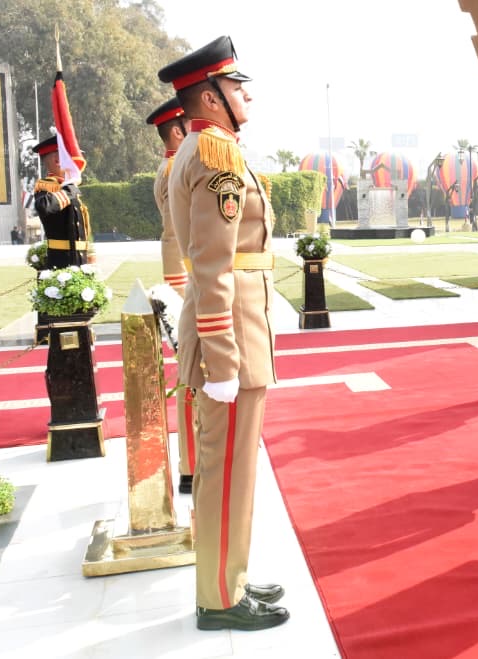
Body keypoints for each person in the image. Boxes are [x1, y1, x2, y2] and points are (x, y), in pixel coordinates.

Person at [158, 35, 288, 630]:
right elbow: (212, 267)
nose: (247, 96)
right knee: (226, 471)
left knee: (227, 470)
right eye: (237, 87)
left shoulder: (208, 149)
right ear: (209, 97)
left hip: (233, 331)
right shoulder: (215, 154)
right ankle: (218, 598)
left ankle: (227, 579)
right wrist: (225, 361)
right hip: (230, 335)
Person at [146, 95, 196, 494]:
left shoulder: (169, 166)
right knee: (193, 367)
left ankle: (192, 460)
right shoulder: (176, 166)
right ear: (177, 130)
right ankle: (192, 462)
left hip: (178, 262)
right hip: (182, 267)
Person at [32, 136, 90, 268]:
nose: (78, 163)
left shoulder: (66, 187)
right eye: (73, 158)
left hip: (79, 262)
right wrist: (70, 188)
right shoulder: (47, 186)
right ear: (57, 160)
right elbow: (43, 206)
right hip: (61, 264)